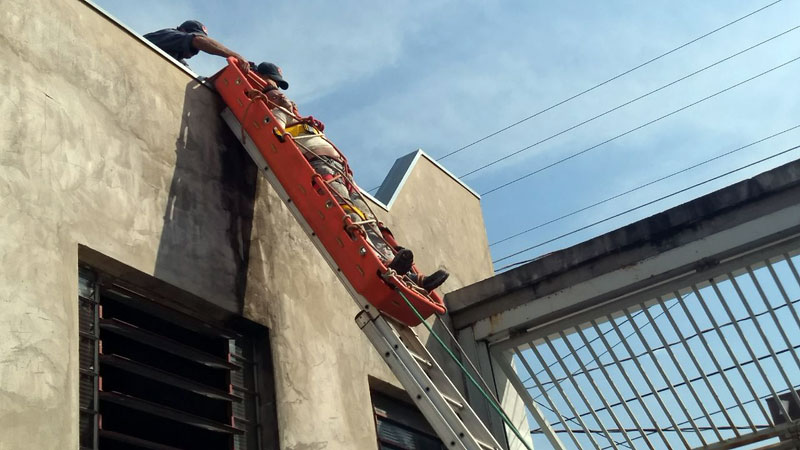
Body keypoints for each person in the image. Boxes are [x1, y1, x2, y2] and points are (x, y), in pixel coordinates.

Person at [251, 62, 449, 292]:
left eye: (284, 94)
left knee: (370, 221)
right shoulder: (278, 115)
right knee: (350, 216)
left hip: (339, 170)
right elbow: (273, 130)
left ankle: (415, 278)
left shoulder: (305, 124)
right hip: (322, 168)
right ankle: (386, 264)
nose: (286, 98)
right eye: (277, 93)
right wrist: (276, 107)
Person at [144, 20, 249, 72]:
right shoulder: (169, 34)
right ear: (182, 31)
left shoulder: (176, 57)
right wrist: (235, 56)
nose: (197, 50)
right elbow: (197, 40)